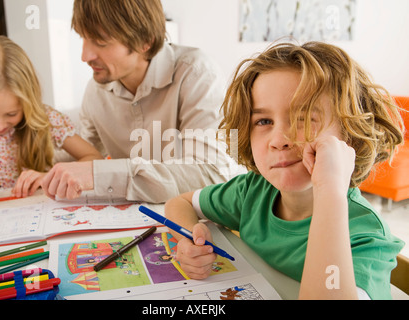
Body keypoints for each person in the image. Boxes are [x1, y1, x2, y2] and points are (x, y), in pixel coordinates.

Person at [164, 41, 405, 300]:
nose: (279, 139)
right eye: (263, 121)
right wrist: (189, 235)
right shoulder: (252, 191)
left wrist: (330, 192)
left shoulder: (366, 237)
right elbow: (180, 203)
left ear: (350, 136)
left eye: (303, 117)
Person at [41, 0, 243, 203]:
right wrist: (44, 171)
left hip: (201, 221)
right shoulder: (96, 91)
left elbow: (211, 175)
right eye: (82, 38)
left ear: (145, 42)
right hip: (137, 218)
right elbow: (87, 152)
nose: (85, 56)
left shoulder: (197, 75)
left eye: (101, 42)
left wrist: (99, 174)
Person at [0, 35, 103, 207]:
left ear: (27, 100)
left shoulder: (45, 119)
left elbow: (96, 159)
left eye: (11, 114)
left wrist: (50, 177)